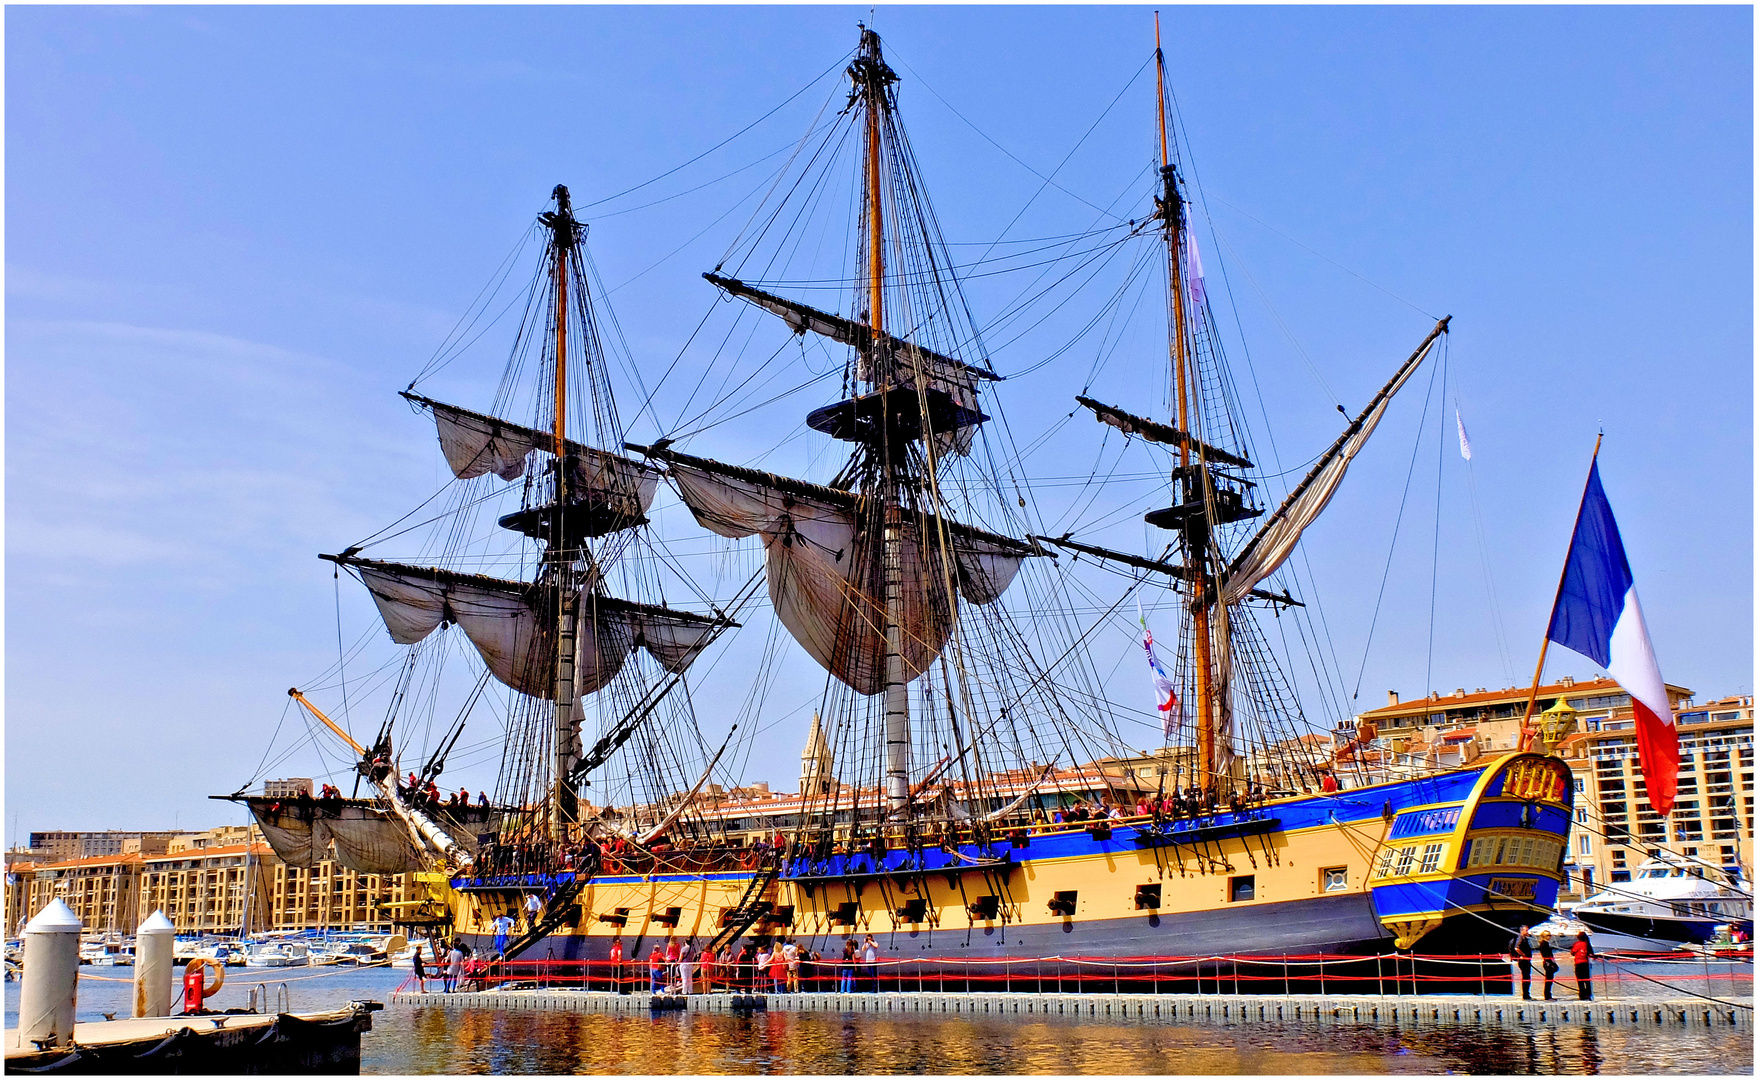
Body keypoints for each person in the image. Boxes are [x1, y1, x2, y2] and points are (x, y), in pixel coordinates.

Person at [1508, 926, 1534, 999]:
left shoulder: (1524, 938)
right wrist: (1524, 955)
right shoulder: (1520, 938)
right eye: (1526, 930)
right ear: (1522, 931)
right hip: (1523, 960)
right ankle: (1525, 994)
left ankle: (1526, 993)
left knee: (1527, 977)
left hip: (1526, 960)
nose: (1527, 932)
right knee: (1526, 977)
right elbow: (1517, 948)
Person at [1570, 931, 1596, 1000]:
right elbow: (1591, 953)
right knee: (1587, 980)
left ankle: (1582, 995)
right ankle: (1588, 994)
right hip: (1585, 963)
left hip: (1578, 963)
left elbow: (1572, 952)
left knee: (1580, 980)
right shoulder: (1587, 944)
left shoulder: (1577, 944)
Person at [1536, 931, 1558, 1000]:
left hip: (1549, 961)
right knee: (1548, 979)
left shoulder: (1546, 943)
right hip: (1548, 962)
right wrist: (1551, 960)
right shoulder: (1544, 944)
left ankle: (1548, 994)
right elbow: (1546, 954)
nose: (1550, 936)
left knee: (1550, 979)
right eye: (1548, 935)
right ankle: (1547, 995)